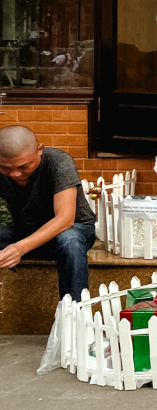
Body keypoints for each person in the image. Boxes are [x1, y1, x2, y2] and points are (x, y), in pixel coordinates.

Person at [0, 126, 96, 300]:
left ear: (39, 150)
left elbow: (65, 219)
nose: (14, 174)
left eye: (23, 166)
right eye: (5, 168)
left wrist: (19, 248)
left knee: (69, 240)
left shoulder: (58, 162)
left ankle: (74, 313)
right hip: (27, 232)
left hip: (74, 229)